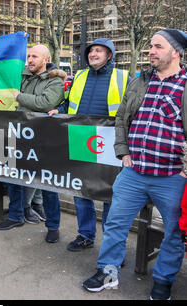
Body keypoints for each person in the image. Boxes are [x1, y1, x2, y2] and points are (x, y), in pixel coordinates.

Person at [82, 29, 187, 300]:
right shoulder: (140, 81)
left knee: (174, 233)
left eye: (158, 46)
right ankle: (108, 271)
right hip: (133, 172)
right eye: (150, 45)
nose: (150, 51)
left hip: (173, 177)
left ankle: (163, 281)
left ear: (175, 52)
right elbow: (121, 119)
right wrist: (123, 152)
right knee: (115, 223)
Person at [48, 38, 130, 251]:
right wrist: (60, 110)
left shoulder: (123, 77)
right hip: (80, 138)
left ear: (109, 55)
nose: (93, 54)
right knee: (81, 191)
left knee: (110, 196)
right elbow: (69, 102)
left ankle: (111, 246)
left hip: (111, 144)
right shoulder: (81, 76)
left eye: (99, 51)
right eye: (91, 51)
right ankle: (85, 235)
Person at [0, 45, 65, 230]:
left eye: (35, 56)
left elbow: (45, 103)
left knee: (46, 183)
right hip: (20, 134)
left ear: (46, 59)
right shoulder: (22, 76)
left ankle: (53, 227)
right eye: (28, 56)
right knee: (14, 178)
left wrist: (19, 97)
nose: (30, 60)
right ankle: (16, 215)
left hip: (43, 138)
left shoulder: (55, 80)